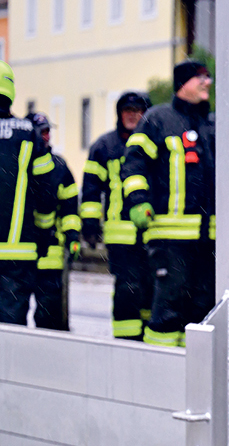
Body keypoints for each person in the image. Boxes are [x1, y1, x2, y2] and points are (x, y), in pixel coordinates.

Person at [120, 60, 215, 347]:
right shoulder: (158, 119)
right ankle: (160, 372)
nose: (207, 83)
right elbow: (134, 163)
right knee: (168, 307)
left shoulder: (213, 123)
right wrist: (138, 200)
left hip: (208, 237)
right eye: (200, 78)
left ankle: (194, 373)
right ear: (183, 83)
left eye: (208, 78)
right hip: (168, 236)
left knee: (203, 308)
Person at [80, 91, 153, 340]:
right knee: (127, 288)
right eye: (127, 112)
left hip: (152, 229)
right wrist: (89, 224)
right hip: (119, 233)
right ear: (119, 115)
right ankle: (126, 340)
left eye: (137, 111)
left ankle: (148, 336)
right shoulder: (104, 146)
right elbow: (91, 188)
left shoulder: (154, 142)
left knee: (151, 286)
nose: (132, 116)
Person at [0, 61, 57, 326]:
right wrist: (44, 234)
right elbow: (46, 194)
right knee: (11, 331)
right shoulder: (30, 135)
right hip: (18, 253)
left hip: (18, 254)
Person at [25, 112, 80, 331]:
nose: (46, 137)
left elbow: (70, 207)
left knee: (49, 317)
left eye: (48, 131)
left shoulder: (59, 167)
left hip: (51, 256)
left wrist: (73, 235)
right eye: (42, 132)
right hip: (20, 254)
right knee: (13, 315)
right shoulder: (17, 164)